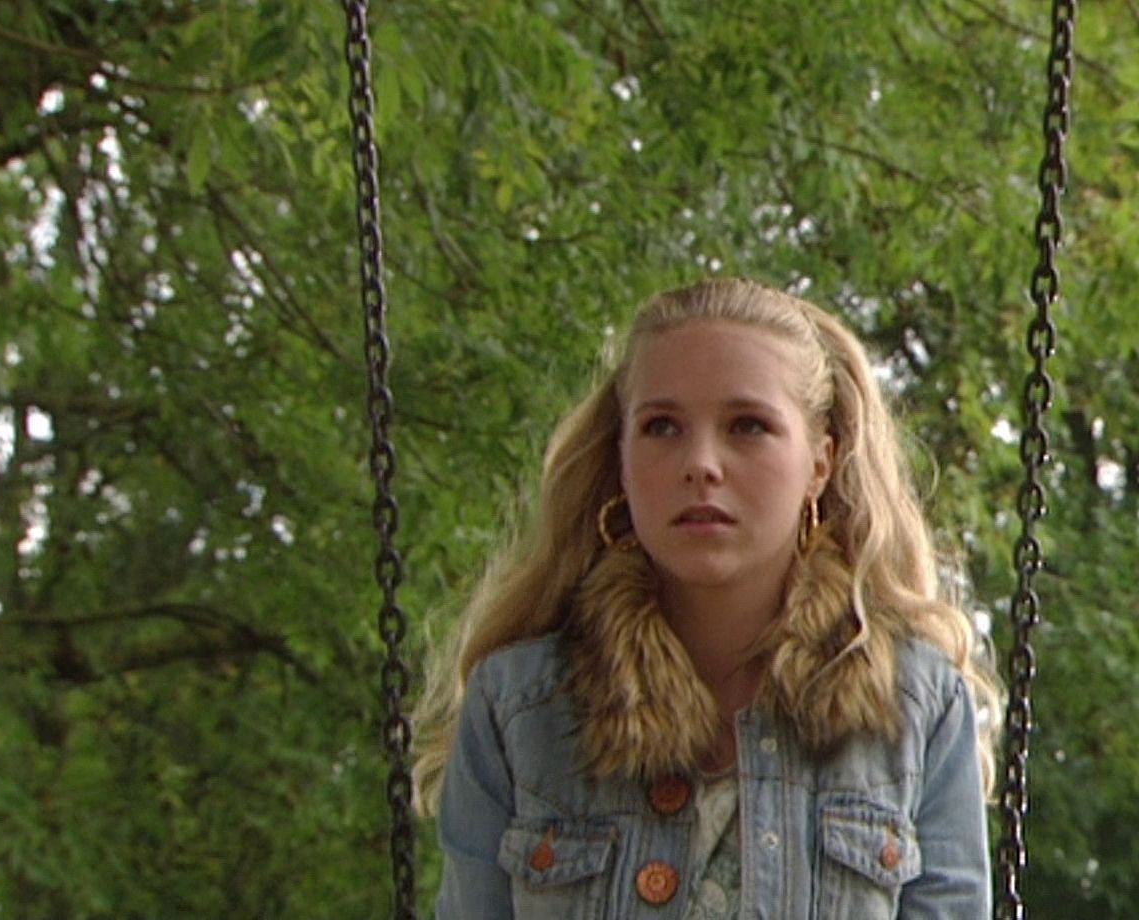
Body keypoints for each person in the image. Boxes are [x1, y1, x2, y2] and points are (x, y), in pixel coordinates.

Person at [411, 277, 998, 919]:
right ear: (622, 460)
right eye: (662, 426)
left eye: (748, 426)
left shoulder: (915, 707)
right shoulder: (520, 708)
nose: (701, 463)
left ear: (820, 463)